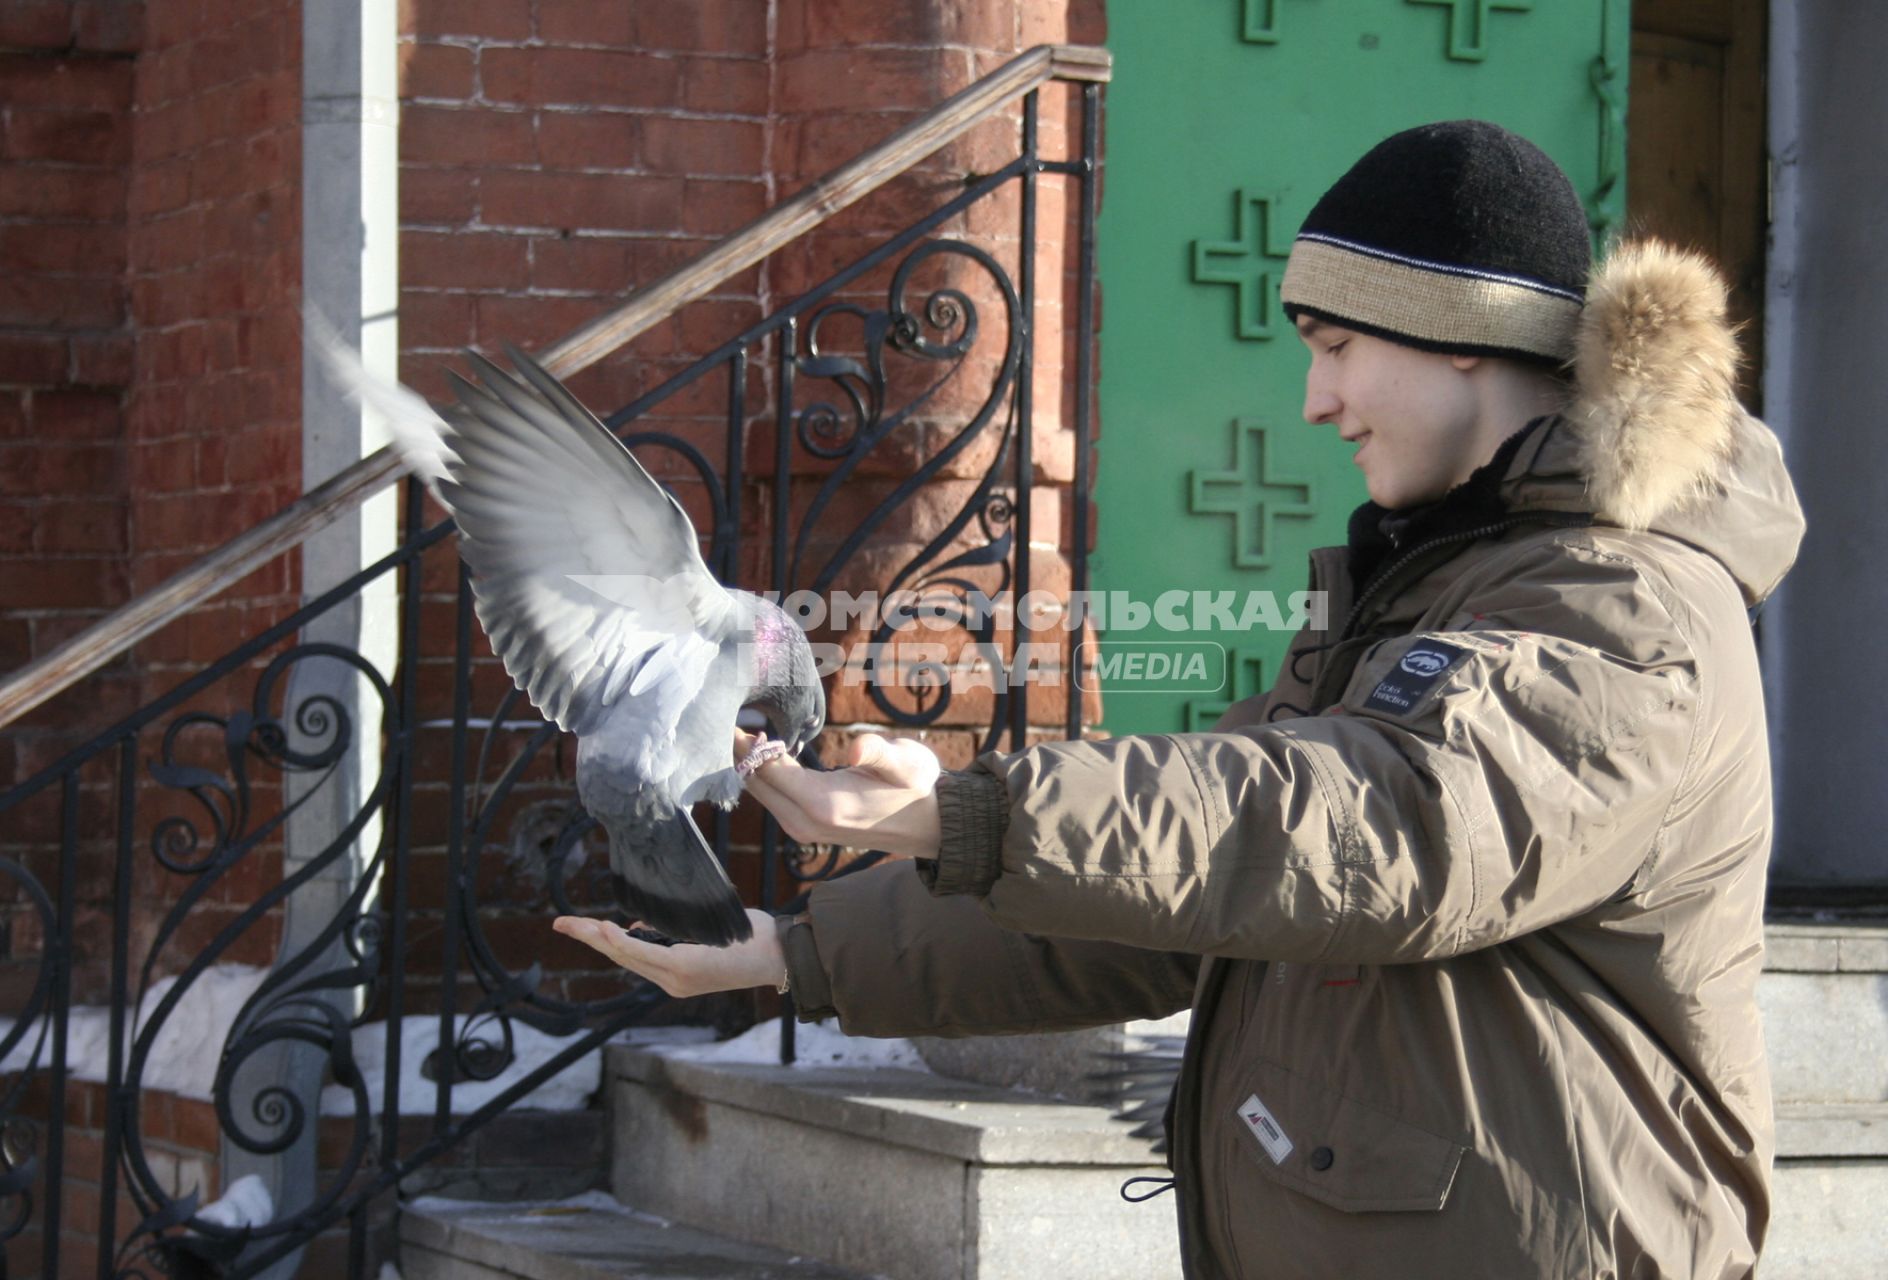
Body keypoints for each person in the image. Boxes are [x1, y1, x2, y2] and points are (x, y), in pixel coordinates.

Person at [557, 121, 1805, 1278]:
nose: (1316, 402)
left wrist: (970, 811)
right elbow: (1169, 893)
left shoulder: (1627, 605)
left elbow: (1386, 825)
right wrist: (792, 950)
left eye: (1336, 348)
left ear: (1458, 335)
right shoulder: (1430, 586)